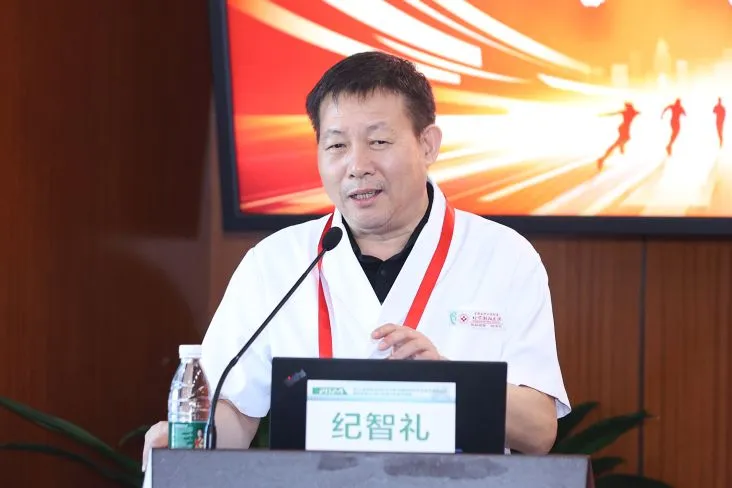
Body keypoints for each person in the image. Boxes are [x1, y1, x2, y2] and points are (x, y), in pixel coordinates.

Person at [142, 52, 570, 468]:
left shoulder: (504, 256)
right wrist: (187, 439)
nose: (357, 166)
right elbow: (233, 411)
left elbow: (538, 431)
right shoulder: (275, 262)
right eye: (336, 145)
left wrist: (449, 381)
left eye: (378, 141)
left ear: (428, 145)